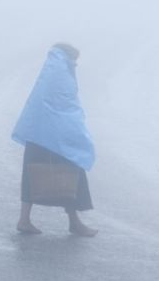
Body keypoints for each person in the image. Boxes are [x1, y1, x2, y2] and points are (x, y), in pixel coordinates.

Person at [12, 42, 97, 236]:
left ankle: (24, 219)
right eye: (74, 61)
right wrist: (77, 133)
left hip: (38, 132)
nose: (75, 65)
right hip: (56, 135)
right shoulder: (61, 74)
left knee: (31, 174)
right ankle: (74, 222)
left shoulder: (50, 71)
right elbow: (66, 105)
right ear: (67, 58)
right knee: (72, 172)